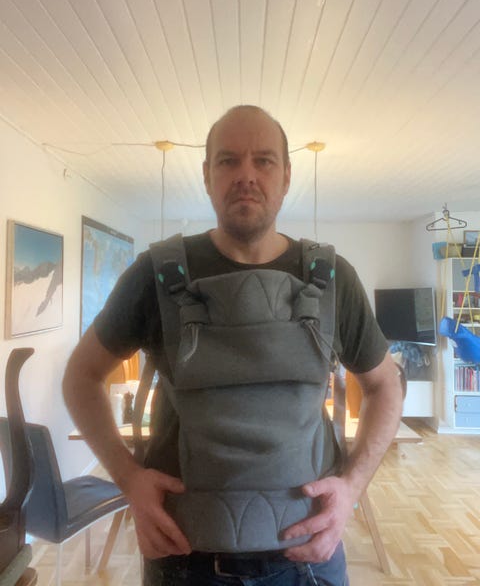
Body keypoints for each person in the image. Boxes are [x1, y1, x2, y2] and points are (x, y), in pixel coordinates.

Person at [63, 105, 403, 586]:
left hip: (307, 560)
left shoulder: (333, 279)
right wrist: (128, 478)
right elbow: (81, 376)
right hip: (185, 559)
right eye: (228, 160)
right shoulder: (153, 276)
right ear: (207, 175)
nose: (246, 175)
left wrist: (352, 487)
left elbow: (385, 385)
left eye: (263, 160)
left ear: (287, 176)